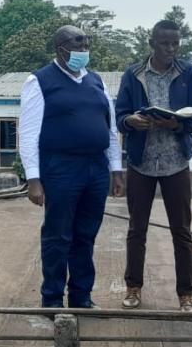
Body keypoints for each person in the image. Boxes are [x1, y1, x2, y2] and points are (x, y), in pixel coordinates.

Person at [19, 25, 125, 312]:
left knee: (86, 234)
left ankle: (81, 296)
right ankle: (52, 299)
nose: (83, 49)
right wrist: (34, 180)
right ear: (60, 48)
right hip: (60, 167)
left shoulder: (96, 80)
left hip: (96, 167)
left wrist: (116, 170)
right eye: (77, 43)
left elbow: (110, 128)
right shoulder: (39, 81)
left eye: (86, 43)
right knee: (58, 235)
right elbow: (28, 133)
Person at [115, 20, 192, 312]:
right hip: (141, 162)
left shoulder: (188, 72)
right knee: (136, 229)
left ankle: (186, 293)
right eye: (165, 43)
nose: (171, 49)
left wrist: (176, 123)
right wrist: (131, 121)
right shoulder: (134, 74)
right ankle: (133, 288)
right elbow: (120, 116)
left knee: (182, 230)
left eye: (176, 43)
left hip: (176, 162)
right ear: (152, 42)